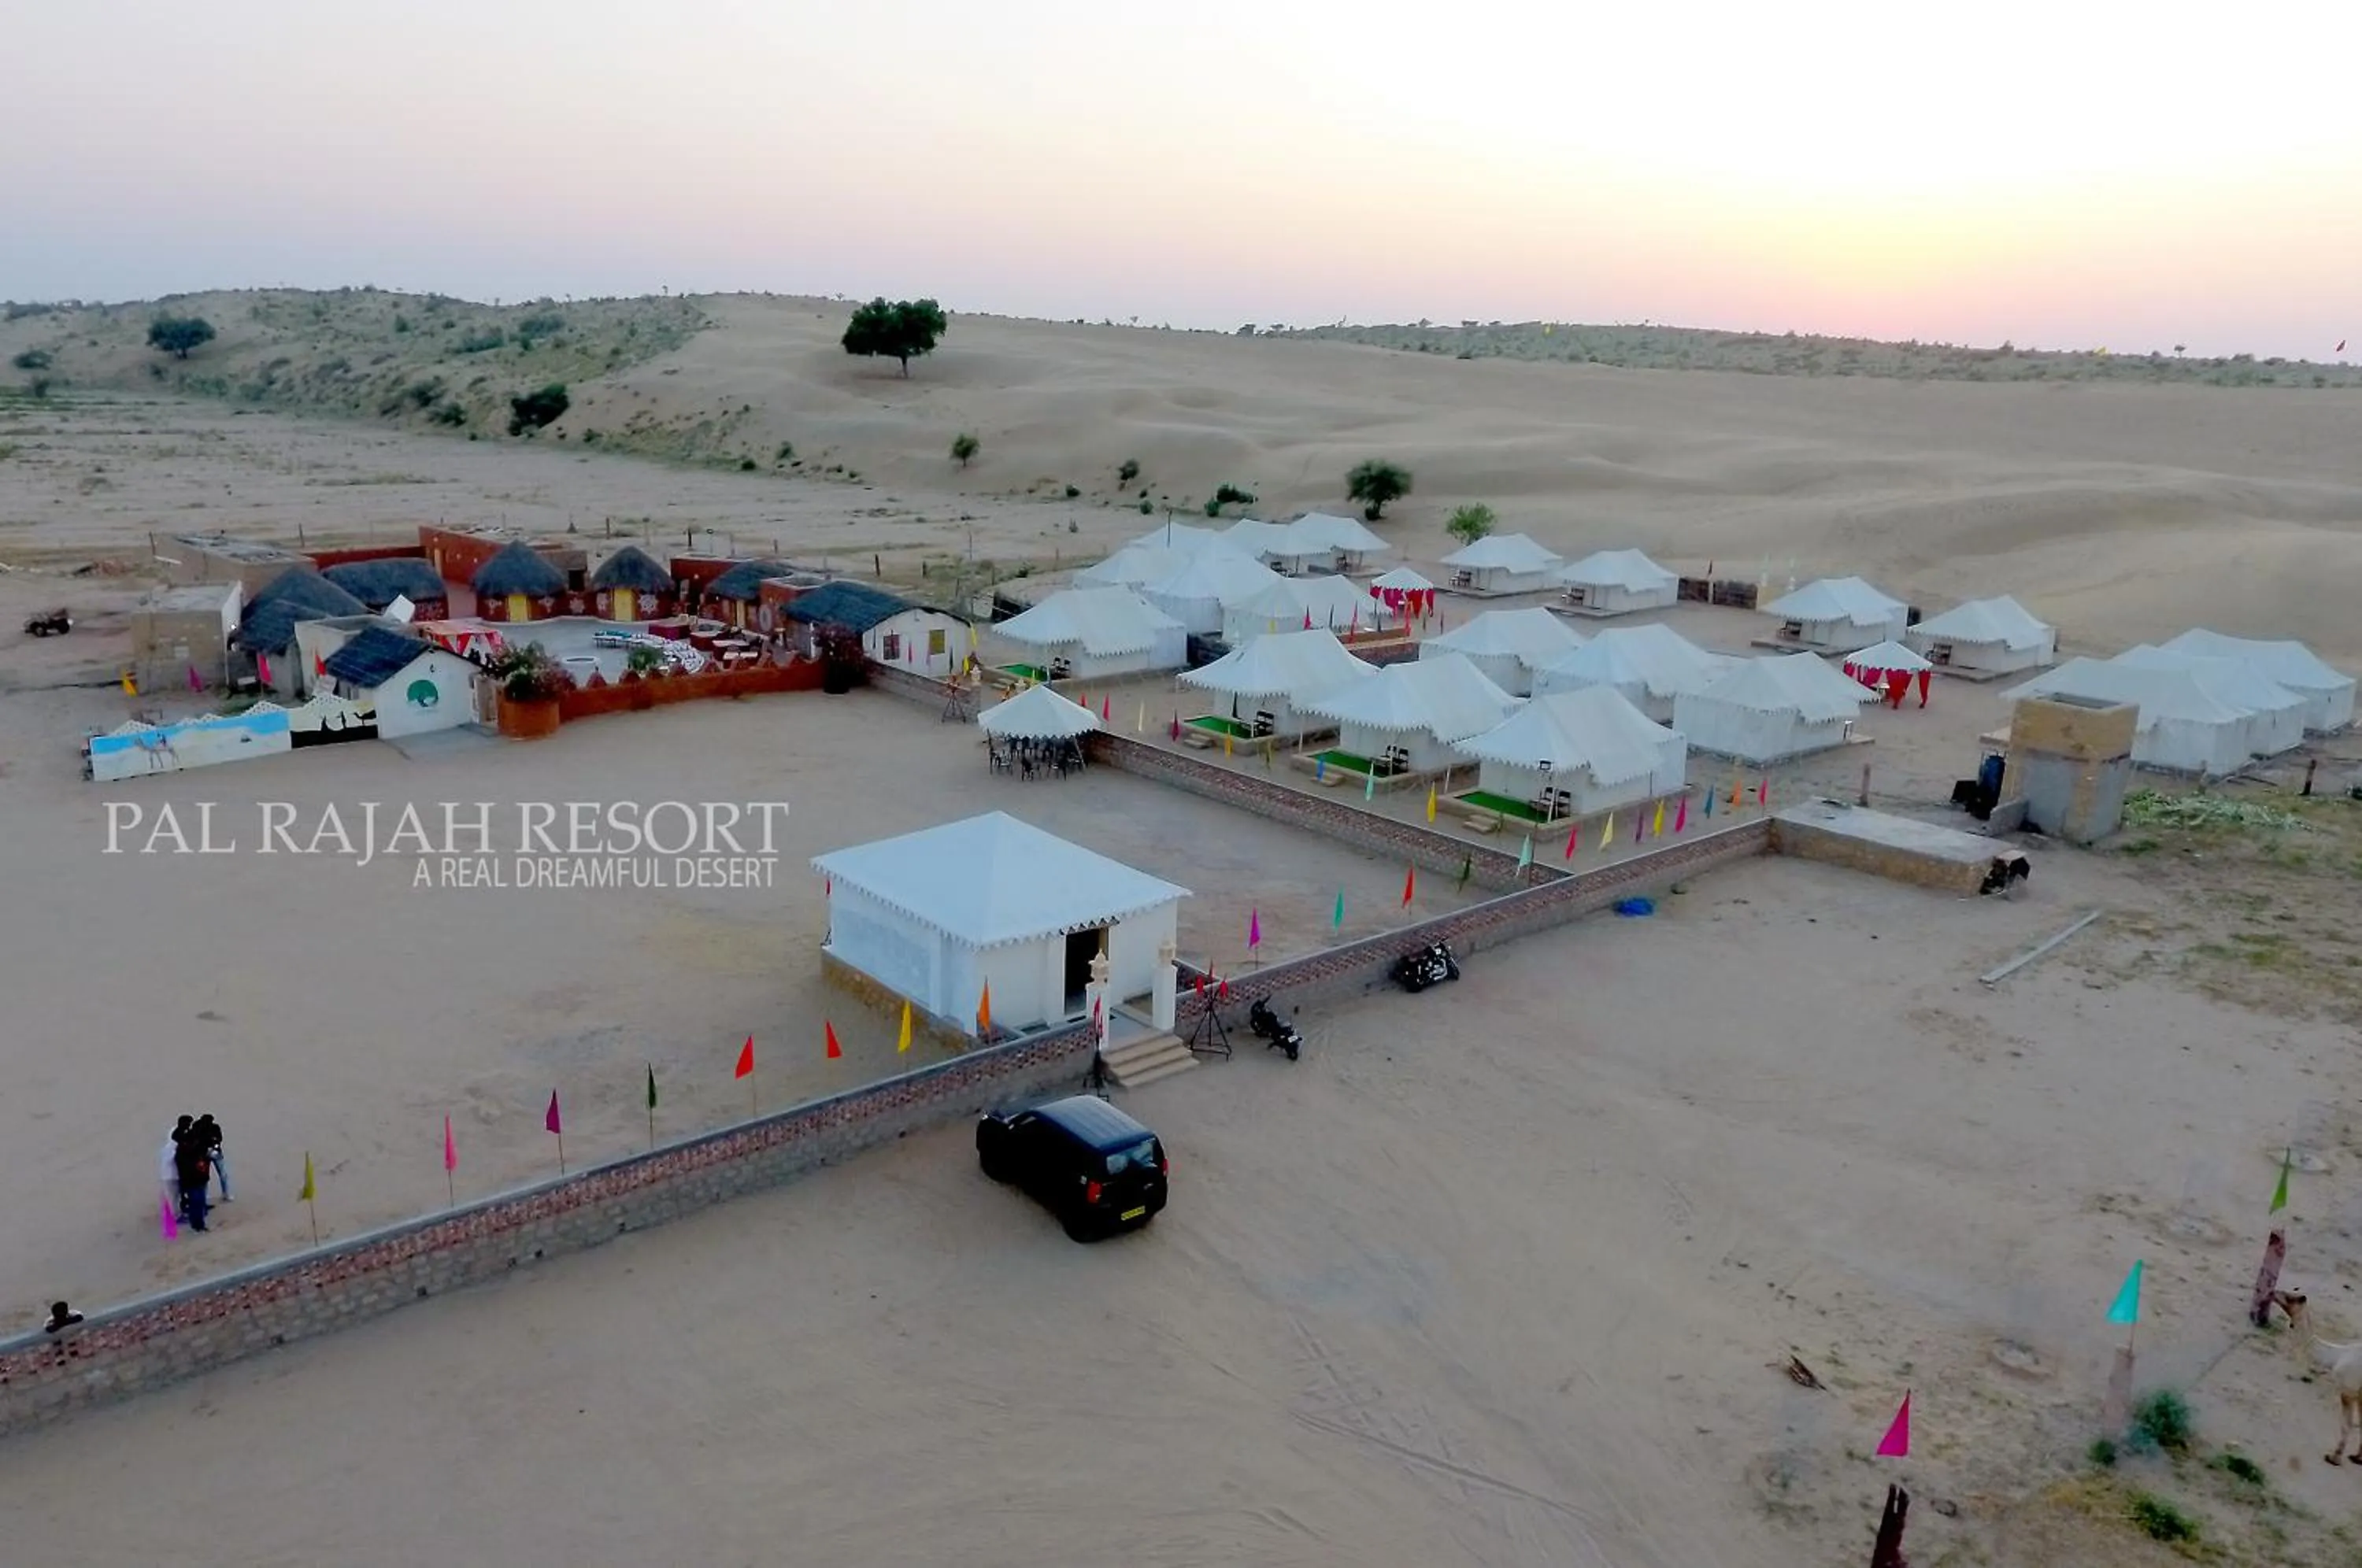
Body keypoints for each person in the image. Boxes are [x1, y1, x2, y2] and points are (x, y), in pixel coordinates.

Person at [175, 1124, 213, 1233]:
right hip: (191, 1182)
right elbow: (186, 1167)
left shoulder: (194, 1150)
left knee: (199, 1202)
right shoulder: (182, 1153)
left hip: (197, 1180)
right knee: (196, 1202)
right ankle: (197, 1224)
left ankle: (199, 1224)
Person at [161, 1115, 192, 1222]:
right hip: (171, 1176)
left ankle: (177, 1214)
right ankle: (174, 1217)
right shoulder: (173, 1147)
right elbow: (174, 1161)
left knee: (175, 1197)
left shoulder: (168, 1147)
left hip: (170, 1175)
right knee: (173, 1198)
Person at [194, 1114, 231, 1202]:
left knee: (223, 1174)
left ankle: (225, 1194)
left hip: (214, 1152)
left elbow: (219, 1139)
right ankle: (206, 1195)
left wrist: (215, 1146)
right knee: (205, 1176)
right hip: (203, 1154)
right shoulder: (197, 1127)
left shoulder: (215, 1128)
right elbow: (197, 1141)